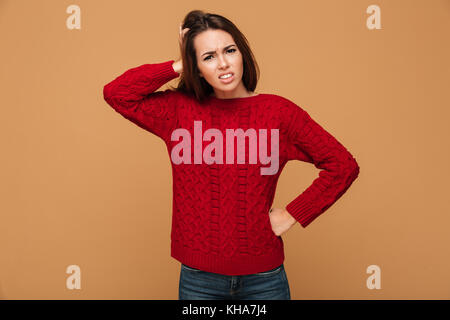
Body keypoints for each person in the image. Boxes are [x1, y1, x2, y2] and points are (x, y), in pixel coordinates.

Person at [103, 10, 360, 300]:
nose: (223, 63)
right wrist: (178, 65)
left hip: (264, 279)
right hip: (198, 279)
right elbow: (117, 93)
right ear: (196, 67)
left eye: (229, 50)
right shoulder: (178, 111)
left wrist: (291, 215)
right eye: (208, 56)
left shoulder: (279, 113)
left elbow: (343, 165)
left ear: (243, 54)